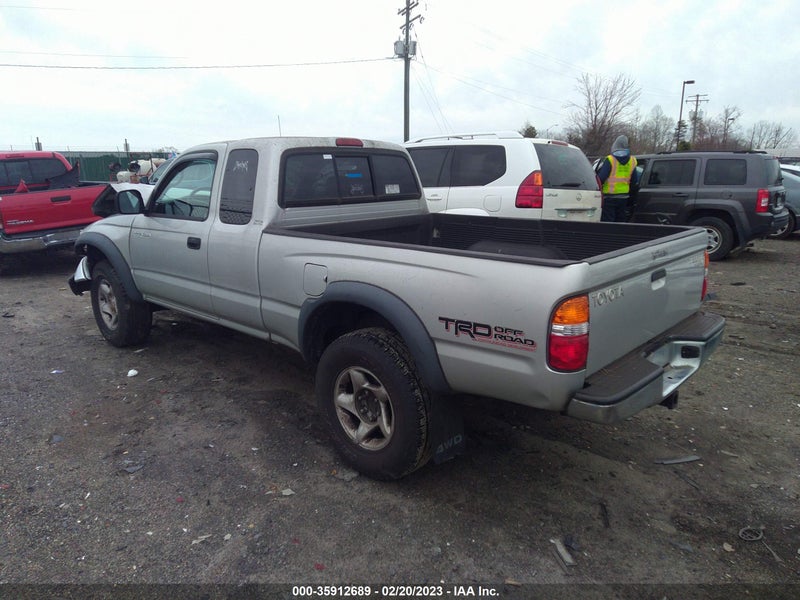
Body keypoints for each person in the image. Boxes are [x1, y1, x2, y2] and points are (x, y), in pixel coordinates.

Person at [596, 135, 639, 222]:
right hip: (624, 197)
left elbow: (601, 178)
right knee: (620, 221)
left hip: (609, 197)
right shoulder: (633, 160)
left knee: (608, 222)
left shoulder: (610, 159)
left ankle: (609, 236)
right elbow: (634, 181)